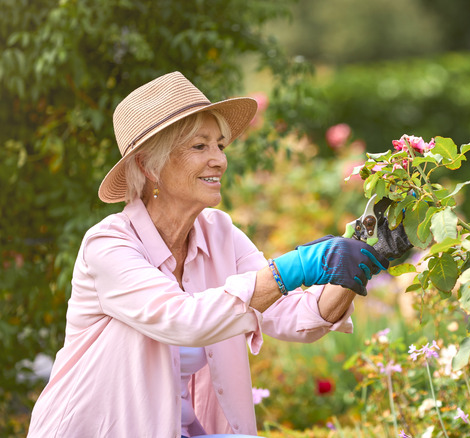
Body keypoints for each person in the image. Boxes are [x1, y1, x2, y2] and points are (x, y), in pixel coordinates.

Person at [27, 71, 389, 438]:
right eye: (200, 147)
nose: (219, 160)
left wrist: (359, 259)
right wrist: (296, 267)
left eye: (220, 146)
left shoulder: (220, 233)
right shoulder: (108, 245)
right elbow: (184, 321)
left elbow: (294, 317)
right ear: (147, 165)